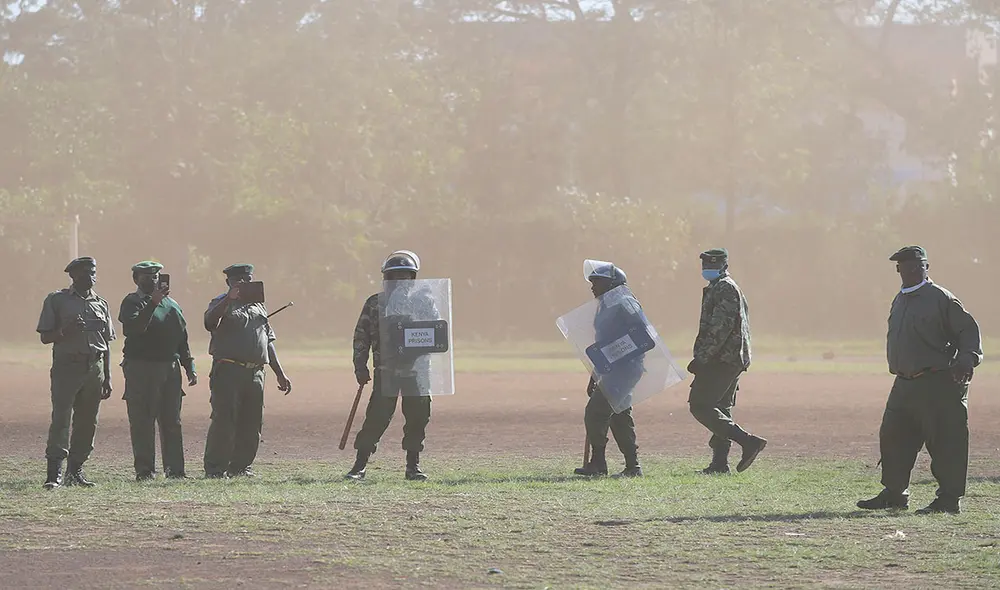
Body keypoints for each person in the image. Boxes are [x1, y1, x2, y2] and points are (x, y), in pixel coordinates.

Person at [857, 245, 982, 515]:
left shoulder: (940, 297)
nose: (911, 270)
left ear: (925, 267)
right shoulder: (900, 298)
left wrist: (967, 358)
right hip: (905, 382)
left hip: (938, 381)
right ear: (898, 269)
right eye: (904, 266)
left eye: (918, 265)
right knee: (893, 436)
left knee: (946, 441)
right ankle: (894, 493)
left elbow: (967, 330)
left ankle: (949, 500)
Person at [347, 250, 436, 481]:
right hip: (386, 371)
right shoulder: (375, 303)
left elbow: (437, 334)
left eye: (405, 276)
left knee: (418, 418)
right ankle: (360, 465)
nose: (400, 281)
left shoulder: (424, 302)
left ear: (413, 278)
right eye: (394, 276)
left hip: (417, 372)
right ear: (386, 278)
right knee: (376, 417)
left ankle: (412, 467)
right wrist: (360, 366)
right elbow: (361, 337)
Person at [202, 263, 291, 478]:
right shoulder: (221, 303)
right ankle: (215, 468)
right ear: (229, 283)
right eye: (239, 280)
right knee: (225, 419)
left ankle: (241, 466)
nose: (245, 283)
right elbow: (209, 321)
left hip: (256, 372)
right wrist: (228, 299)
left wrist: (279, 372)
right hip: (229, 370)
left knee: (252, 421)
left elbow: (267, 340)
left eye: (248, 279)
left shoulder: (259, 306)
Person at [36, 256, 115, 489]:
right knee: (61, 418)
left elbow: (106, 343)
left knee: (88, 422)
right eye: (85, 273)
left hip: (95, 368)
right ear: (73, 276)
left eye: (93, 272)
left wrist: (107, 376)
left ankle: (75, 470)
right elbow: (45, 337)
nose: (91, 277)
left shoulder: (101, 304)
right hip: (67, 367)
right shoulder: (57, 300)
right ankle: (54, 474)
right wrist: (64, 331)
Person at [687, 248, 766, 474]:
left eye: (712, 266)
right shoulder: (719, 287)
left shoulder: (725, 288)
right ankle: (720, 463)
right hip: (729, 357)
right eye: (705, 266)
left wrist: (702, 358)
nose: (707, 270)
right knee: (721, 407)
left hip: (723, 358)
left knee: (700, 405)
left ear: (723, 266)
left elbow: (721, 328)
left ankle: (748, 441)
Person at [118, 261, 198, 481]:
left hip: (169, 369)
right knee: (142, 420)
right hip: (140, 368)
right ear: (135, 279)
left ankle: (175, 470)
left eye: (155, 277)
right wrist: (152, 304)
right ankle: (145, 471)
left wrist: (188, 365)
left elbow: (181, 337)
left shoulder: (172, 305)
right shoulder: (131, 302)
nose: (151, 280)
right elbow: (133, 329)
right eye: (145, 277)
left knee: (171, 420)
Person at [574, 261, 644, 478]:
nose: (593, 287)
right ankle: (633, 467)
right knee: (619, 415)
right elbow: (603, 343)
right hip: (612, 369)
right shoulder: (606, 305)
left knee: (595, 412)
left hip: (625, 368)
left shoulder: (625, 302)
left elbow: (641, 335)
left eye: (597, 282)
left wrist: (617, 356)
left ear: (612, 284)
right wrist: (595, 373)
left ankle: (598, 463)